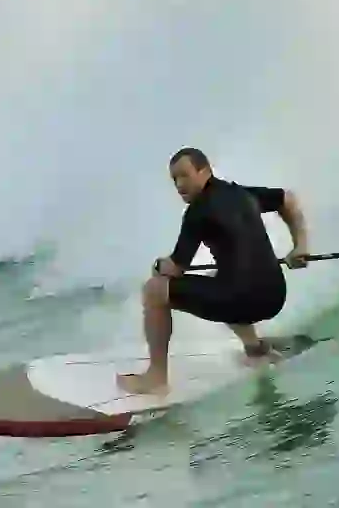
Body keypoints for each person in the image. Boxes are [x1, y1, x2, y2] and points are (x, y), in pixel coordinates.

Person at [115, 147, 311, 395]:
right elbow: (288, 199)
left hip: (244, 300)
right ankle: (255, 349)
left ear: (205, 170)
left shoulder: (198, 211)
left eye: (185, 175)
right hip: (274, 296)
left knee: (154, 290)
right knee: (216, 279)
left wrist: (159, 266)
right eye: (174, 179)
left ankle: (155, 377)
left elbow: (175, 268)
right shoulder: (242, 193)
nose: (179, 184)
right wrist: (300, 246)